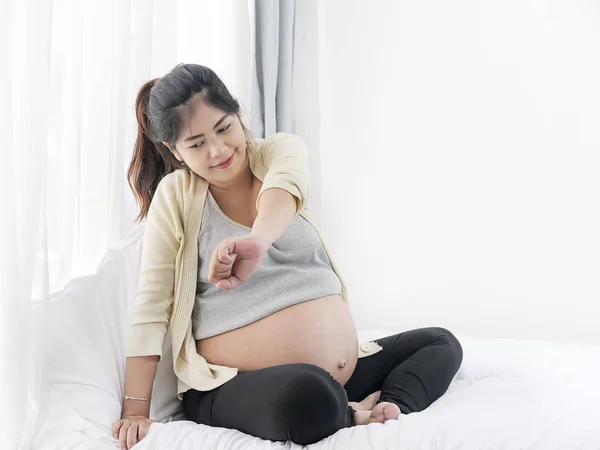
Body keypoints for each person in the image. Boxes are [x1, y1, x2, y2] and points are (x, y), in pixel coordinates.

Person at [112, 63, 463, 449]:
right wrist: (135, 410)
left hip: (338, 373)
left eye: (224, 127)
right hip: (232, 385)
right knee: (308, 394)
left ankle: (386, 409)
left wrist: (256, 243)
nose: (217, 150)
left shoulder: (279, 151)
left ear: (237, 114)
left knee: (440, 343)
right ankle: (348, 413)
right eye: (196, 144)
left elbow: (284, 188)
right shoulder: (175, 196)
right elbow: (151, 306)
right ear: (173, 150)